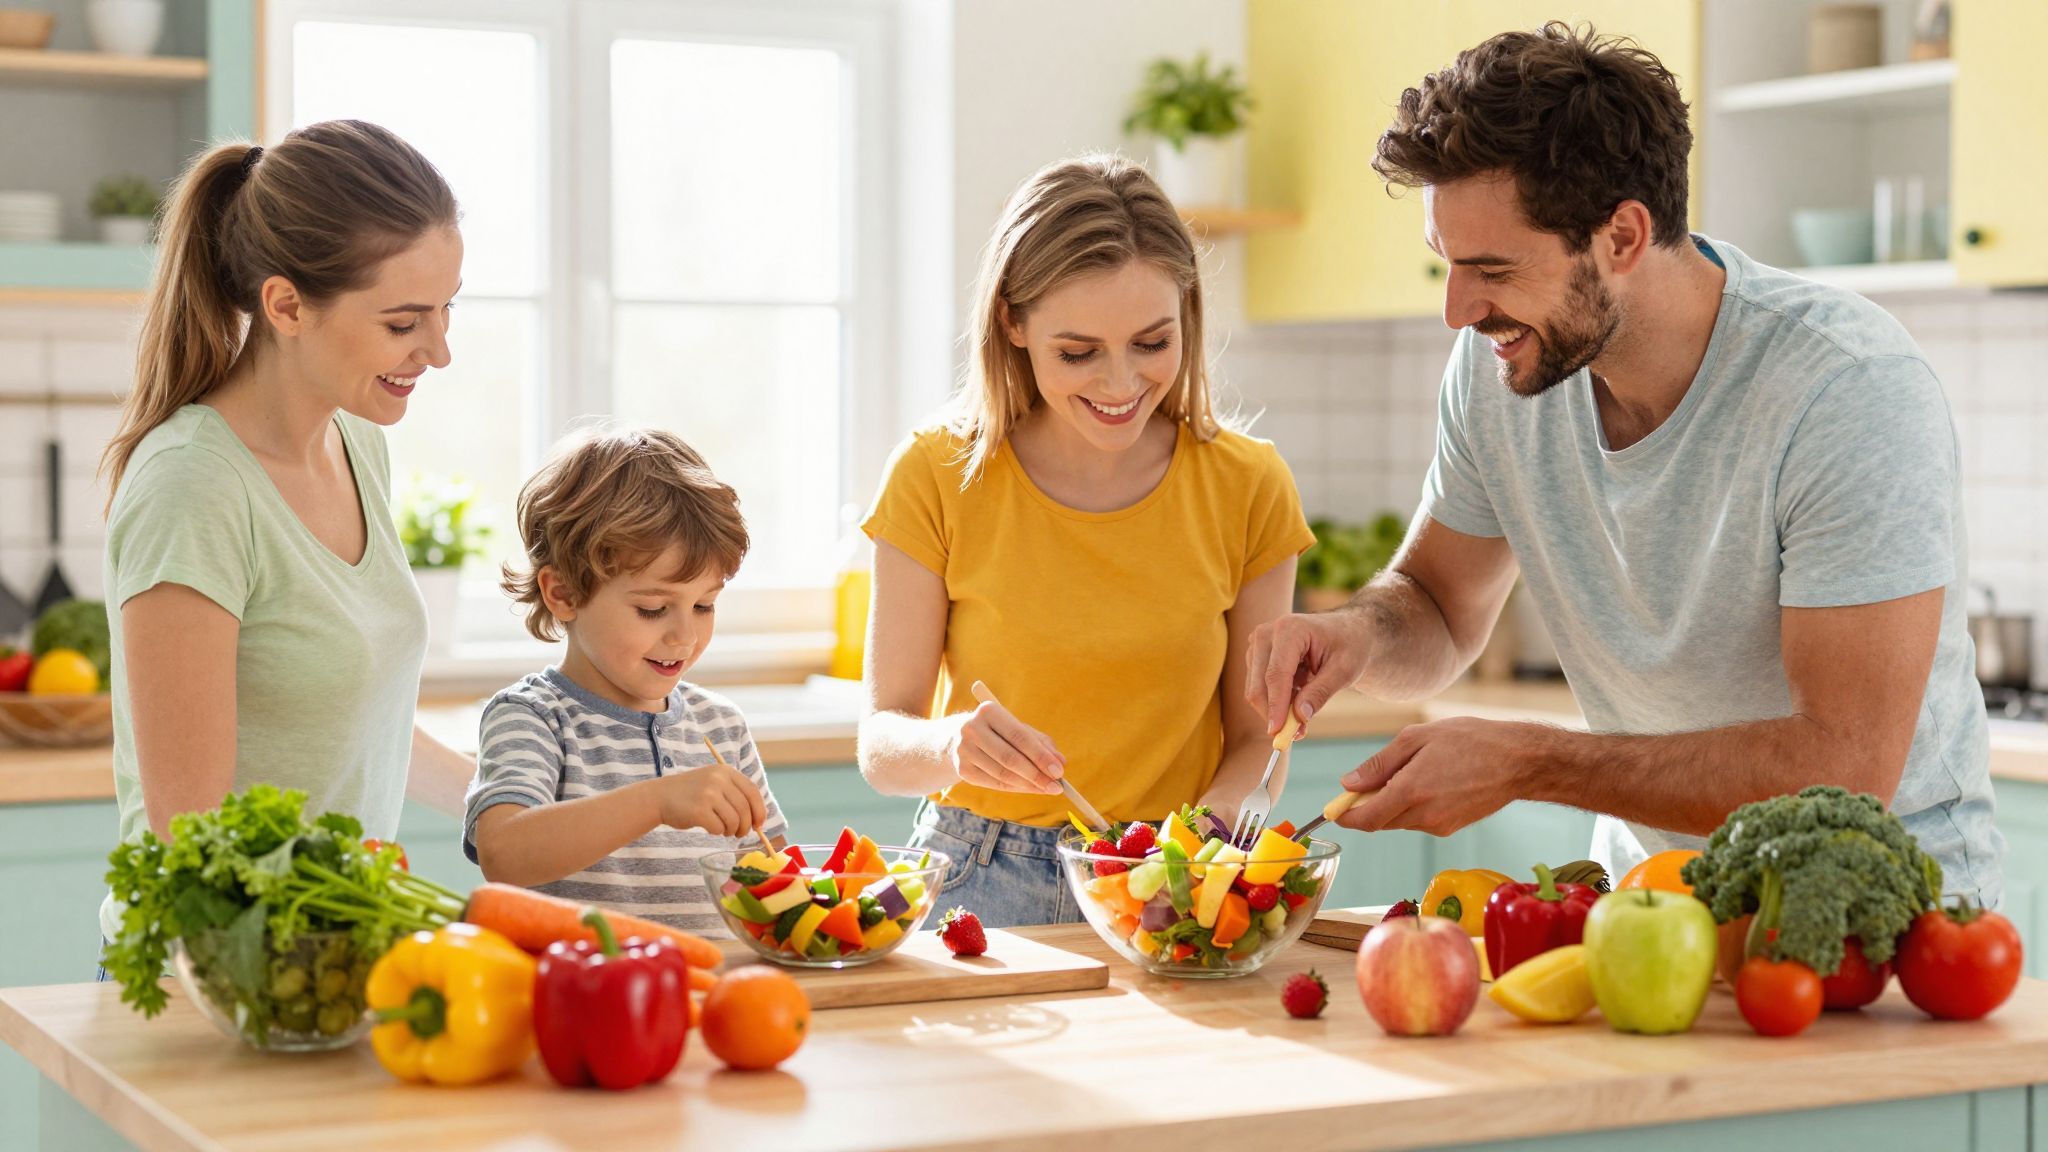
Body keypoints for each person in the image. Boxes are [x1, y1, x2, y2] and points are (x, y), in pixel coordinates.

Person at [1247, 23, 2001, 904]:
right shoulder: (1505, 367)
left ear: (1624, 236)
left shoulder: (1845, 388)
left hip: (1876, 918)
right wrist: (1355, 638)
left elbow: (1841, 767)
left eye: (1490, 268)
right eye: (1446, 266)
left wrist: (1531, 759)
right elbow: (1441, 608)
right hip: (1655, 909)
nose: (1457, 311)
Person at [858, 154, 1315, 928]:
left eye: (1152, 343)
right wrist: (949, 746)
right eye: (1078, 352)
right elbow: (881, 743)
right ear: (1013, 322)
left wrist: (1212, 833)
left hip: (1174, 879)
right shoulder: (935, 473)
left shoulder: (1249, 485)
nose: (1120, 384)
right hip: (981, 872)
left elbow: (1254, 742)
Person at [98, 121, 475, 961]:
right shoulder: (194, 488)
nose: (439, 351)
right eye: (404, 321)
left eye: (448, 309)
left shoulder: (358, 444)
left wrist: (503, 803)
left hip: (331, 964)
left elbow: (347, 721)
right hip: (221, 982)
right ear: (286, 305)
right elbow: (192, 835)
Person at [465, 427, 784, 934]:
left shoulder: (720, 725)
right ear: (564, 593)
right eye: (653, 609)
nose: (685, 636)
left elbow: (767, 877)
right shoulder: (534, 717)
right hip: (581, 998)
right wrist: (658, 799)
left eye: (704, 605)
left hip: (709, 994)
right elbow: (504, 852)